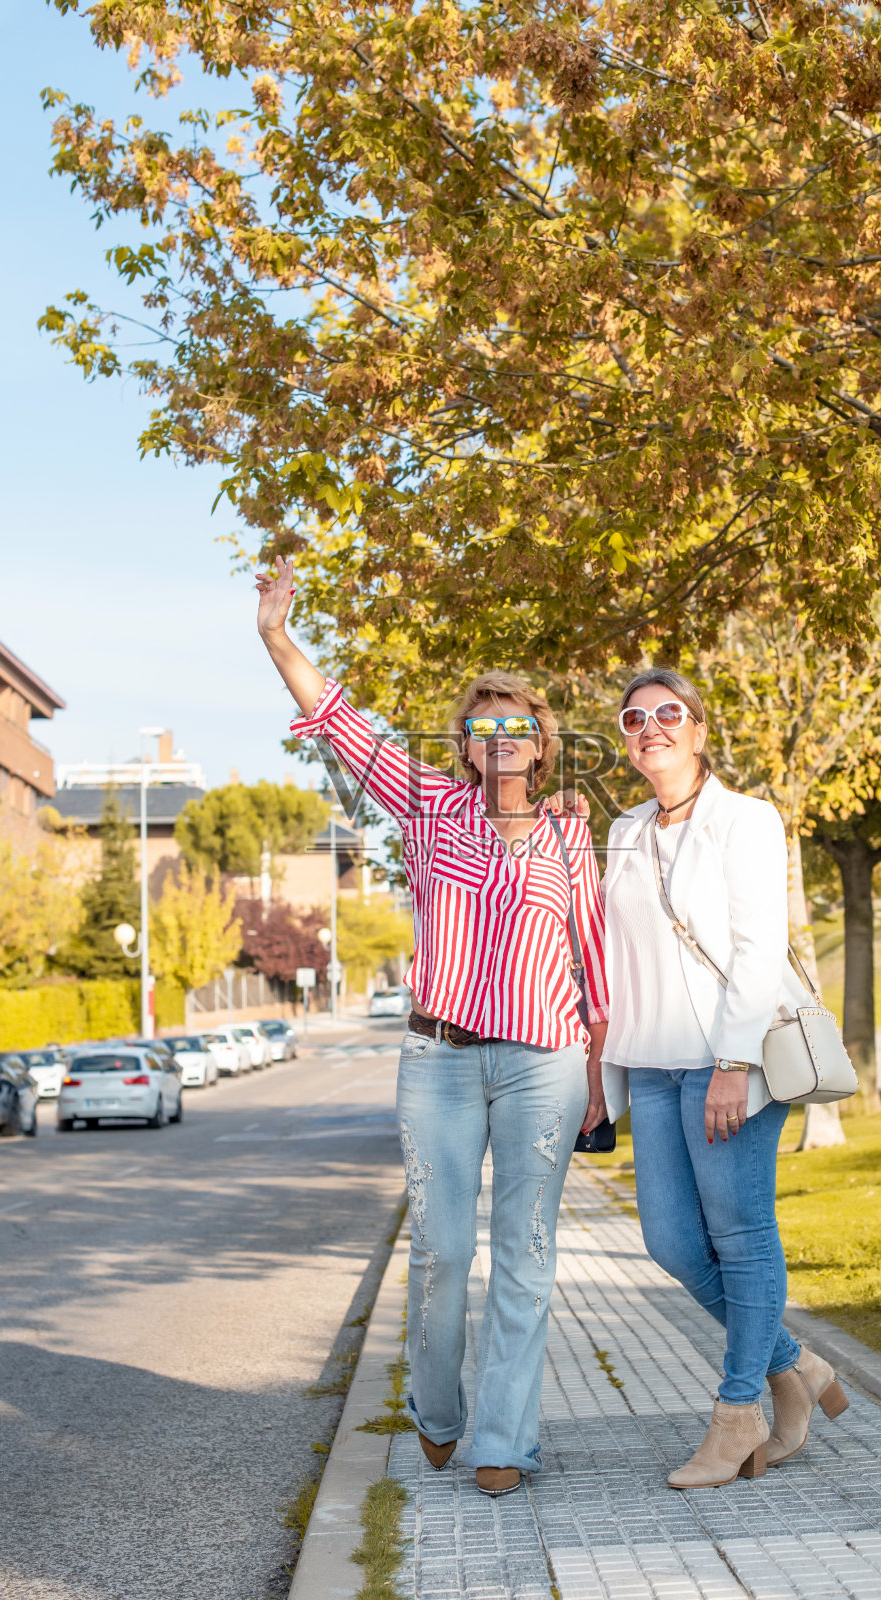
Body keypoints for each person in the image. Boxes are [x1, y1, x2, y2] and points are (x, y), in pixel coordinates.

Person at [256, 556, 609, 1497]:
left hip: (546, 1061)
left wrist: (601, 1073)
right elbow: (340, 717)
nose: (501, 737)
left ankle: (504, 1440)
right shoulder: (426, 807)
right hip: (440, 1058)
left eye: (519, 726)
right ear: (464, 743)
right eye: (483, 725)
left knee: (526, 1250)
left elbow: (594, 959)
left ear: (541, 745)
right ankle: (440, 1411)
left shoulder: (574, 833)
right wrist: (278, 636)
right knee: (444, 1249)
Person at [599, 667, 848, 1488]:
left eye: (669, 713)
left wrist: (734, 1065)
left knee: (741, 1238)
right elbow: (614, 958)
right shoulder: (623, 830)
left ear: (700, 730)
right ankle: (796, 1368)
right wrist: (607, 1071)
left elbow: (755, 947)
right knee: (669, 1240)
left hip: (729, 1062)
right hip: (658, 1065)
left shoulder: (747, 819)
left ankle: (738, 1411)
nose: (651, 728)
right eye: (635, 718)